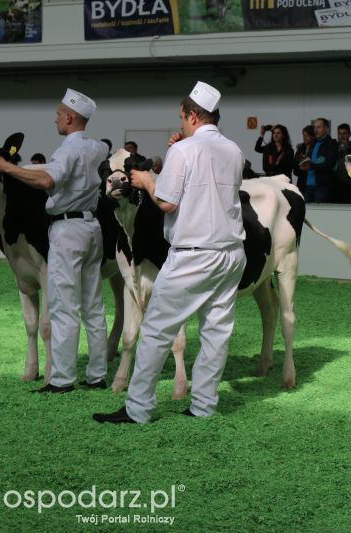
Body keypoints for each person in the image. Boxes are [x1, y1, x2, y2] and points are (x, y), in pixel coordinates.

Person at [93, 81, 247, 424]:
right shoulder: (234, 150)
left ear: (192, 115)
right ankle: (204, 405)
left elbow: (166, 201)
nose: (180, 125)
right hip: (232, 252)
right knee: (216, 332)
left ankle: (139, 408)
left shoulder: (183, 151)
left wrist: (147, 180)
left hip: (194, 253)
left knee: (156, 330)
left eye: (181, 119)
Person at [0, 88, 110, 393]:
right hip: (92, 226)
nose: (55, 119)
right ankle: (96, 375)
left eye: (58, 114)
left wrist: (7, 168)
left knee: (63, 306)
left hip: (67, 230)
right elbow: (97, 154)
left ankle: (62, 379)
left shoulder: (67, 149)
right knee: (93, 306)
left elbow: (46, 181)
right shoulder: (96, 148)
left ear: (69, 117)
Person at [299, 118, 338, 203]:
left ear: (326, 129)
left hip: (322, 186)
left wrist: (311, 166)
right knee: (308, 214)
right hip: (309, 185)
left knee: (320, 214)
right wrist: (303, 163)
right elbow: (309, 160)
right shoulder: (313, 143)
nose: (315, 130)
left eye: (318, 127)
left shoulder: (332, 144)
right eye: (314, 127)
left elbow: (330, 165)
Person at [333, 123, 351, 203]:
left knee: (348, 207)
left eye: (344, 133)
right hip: (334, 182)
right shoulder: (333, 146)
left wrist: (346, 149)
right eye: (339, 133)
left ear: (349, 134)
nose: (342, 136)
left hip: (349, 181)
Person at [293, 125, 315, 196]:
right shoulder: (300, 149)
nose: (305, 138)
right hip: (301, 182)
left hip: (312, 182)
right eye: (303, 135)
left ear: (313, 136)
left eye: (307, 136)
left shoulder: (316, 148)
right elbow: (295, 170)